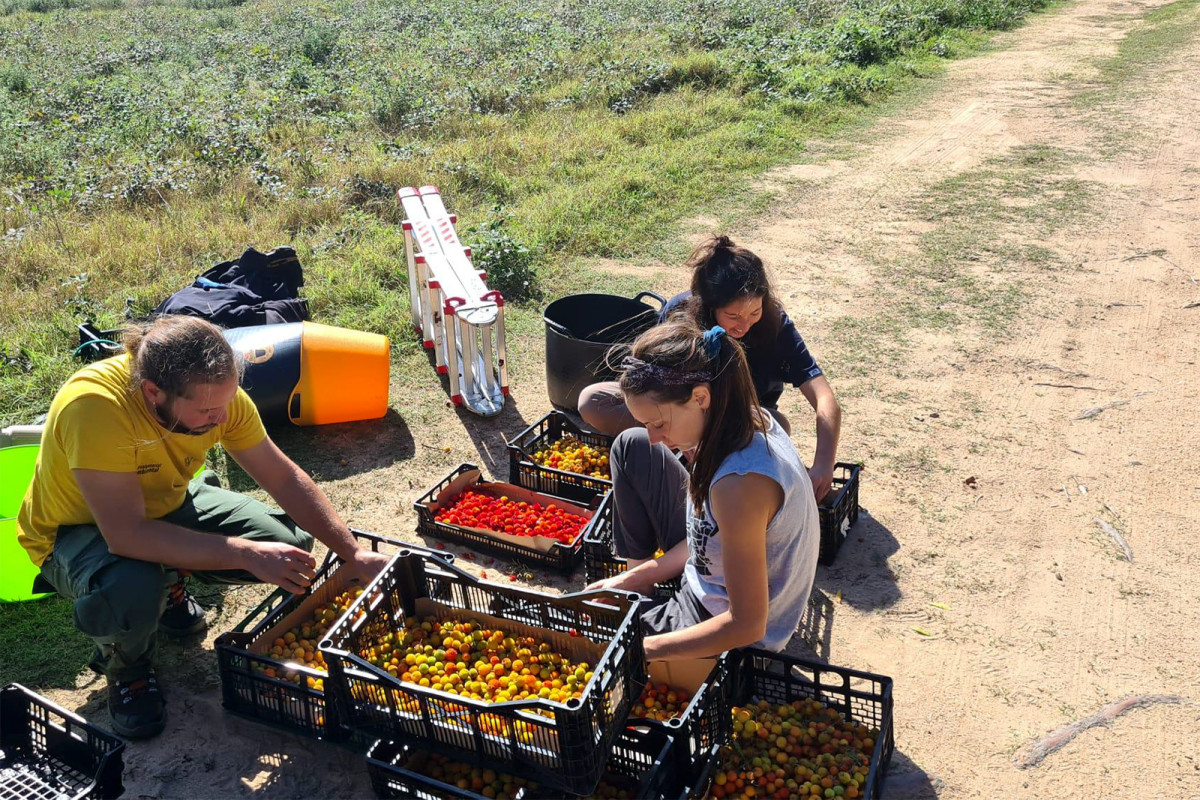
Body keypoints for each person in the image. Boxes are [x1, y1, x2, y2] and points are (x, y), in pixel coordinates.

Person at [16, 316, 391, 739]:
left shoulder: (218, 398)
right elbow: (126, 535)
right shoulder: (96, 407)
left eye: (226, 403)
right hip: (78, 532)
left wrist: (351, 551)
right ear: (152, 392)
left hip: (164, 503)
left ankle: (171, 582)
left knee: (285, 543)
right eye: (208, 411)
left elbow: (283, 477)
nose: (221, 418)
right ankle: (130, 669)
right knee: (132, 584)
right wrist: (241, 553)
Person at [587, 318, 820, 660]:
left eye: (659, 423)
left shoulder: (738, 487)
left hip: (728, 630)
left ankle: (644, 622)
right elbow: (708, 536)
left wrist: (641, 650)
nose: (656, 437)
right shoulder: (736, 417)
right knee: (633, 446)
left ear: (699, 397)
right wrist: (637, 576)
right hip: (710, 574)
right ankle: (642, 597)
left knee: (588, 645)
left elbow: (747, 625)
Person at [578, 235, 842, 500]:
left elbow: (824, 397)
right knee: (593, 400)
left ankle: (683, 456)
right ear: (709, 305)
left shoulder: (776, 327)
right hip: (676, 412)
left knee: (777, 425)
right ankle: (679, 450)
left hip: (735, 421)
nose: (744, 325)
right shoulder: (680, 312)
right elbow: (650, 382)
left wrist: (823, 463)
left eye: (754, 313)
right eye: (733, 316)